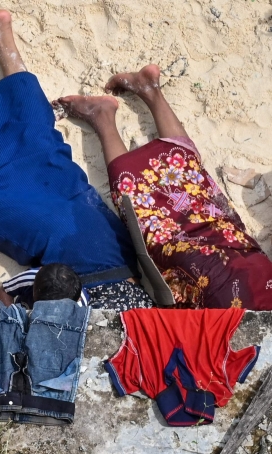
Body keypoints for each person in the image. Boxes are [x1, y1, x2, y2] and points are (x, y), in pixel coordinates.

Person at [0, 10, 154, 312]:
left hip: (110, 240)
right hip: (71, 257)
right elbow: (23, 287)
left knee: (45, 151)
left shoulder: (146, 320)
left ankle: (2, 38)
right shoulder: (86, 320)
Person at [57, 66, 272, 309]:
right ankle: (102, 118)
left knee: (200, 198)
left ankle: (151, 90)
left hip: (254, 271)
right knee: (150, 225)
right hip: (222, 296)